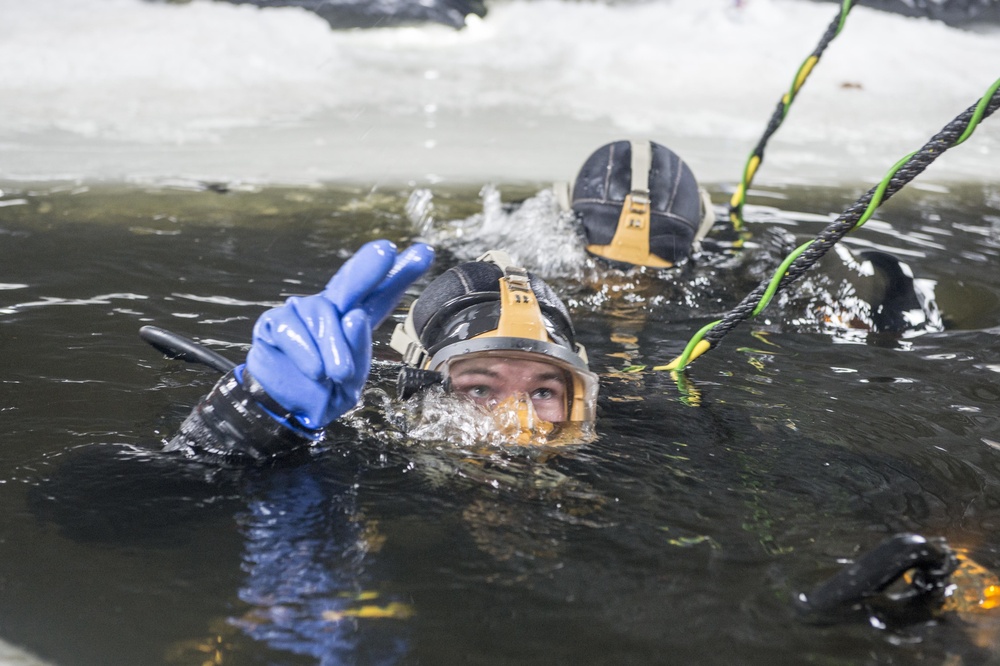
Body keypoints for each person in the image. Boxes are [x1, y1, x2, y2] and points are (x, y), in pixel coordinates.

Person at [165, 238, 600, 462]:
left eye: (543, 392)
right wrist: (250, 419)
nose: (516, 427)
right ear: (417, 386)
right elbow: (136, 511)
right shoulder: (370, 460)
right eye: (480, 390)